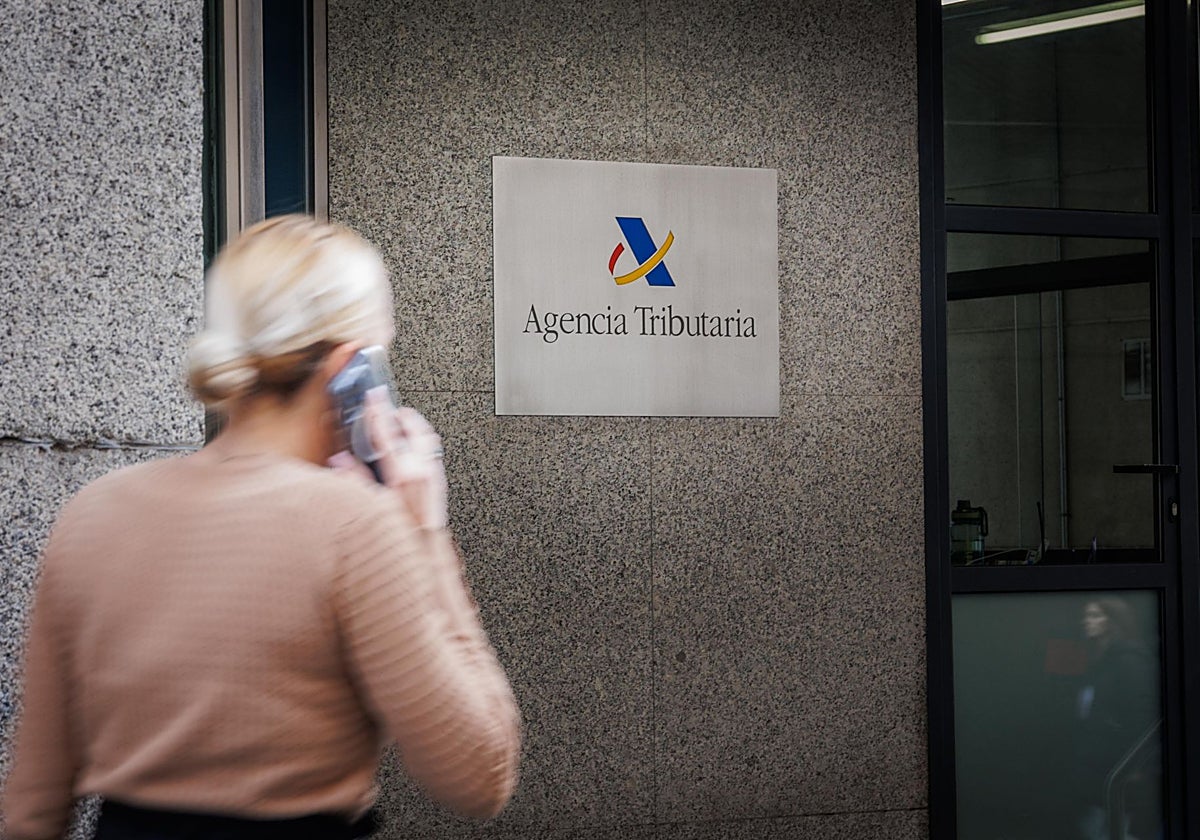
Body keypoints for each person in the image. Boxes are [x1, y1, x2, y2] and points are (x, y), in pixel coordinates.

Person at [2, 215, 521, 840]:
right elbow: (479, 775)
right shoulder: (355, 527)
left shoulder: (93, 514)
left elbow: (32, 804)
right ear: (352, 369)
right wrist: (426, 532)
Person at [1071, 597, 1159, 840]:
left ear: (1113, 620)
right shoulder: (1099, 661)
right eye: (1086, 616)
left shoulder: (1131, 661)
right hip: (1095, 766)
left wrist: (1136, 766)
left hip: (1118, 768)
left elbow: (1141, 715)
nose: (1086, 621)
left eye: (1095, 615)